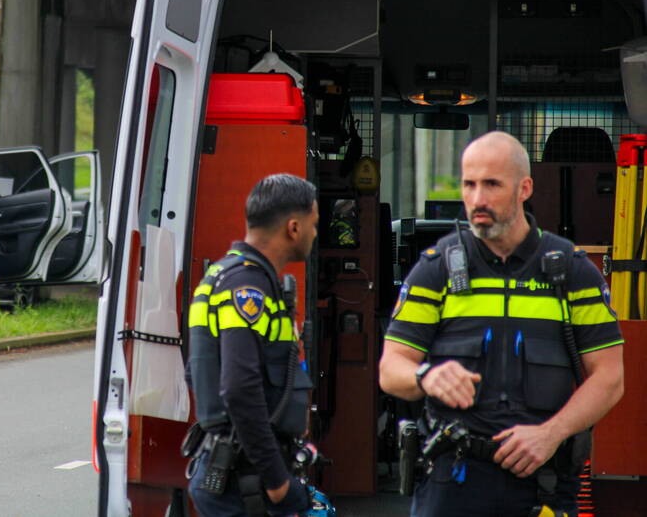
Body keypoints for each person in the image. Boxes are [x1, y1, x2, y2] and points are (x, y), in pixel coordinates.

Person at [379, 131, 625, 517]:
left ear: (524, 188)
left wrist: (552, 433)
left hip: (543, 479)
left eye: (492, 184)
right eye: (469, 184)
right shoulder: (436, 268)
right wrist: (426, 376)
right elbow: (391, 368)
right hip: (453, 480)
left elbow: (610, 378)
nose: (477, 199)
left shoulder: (573, 271)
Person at [186, 173, 320, 516]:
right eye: (313, 224)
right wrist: (278, 483)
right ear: (293, 228)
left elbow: (197, 373)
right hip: (244, 483)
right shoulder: (246, 286)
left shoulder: (224, 275)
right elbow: (240, 389)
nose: (315, 234)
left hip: (240, 472)